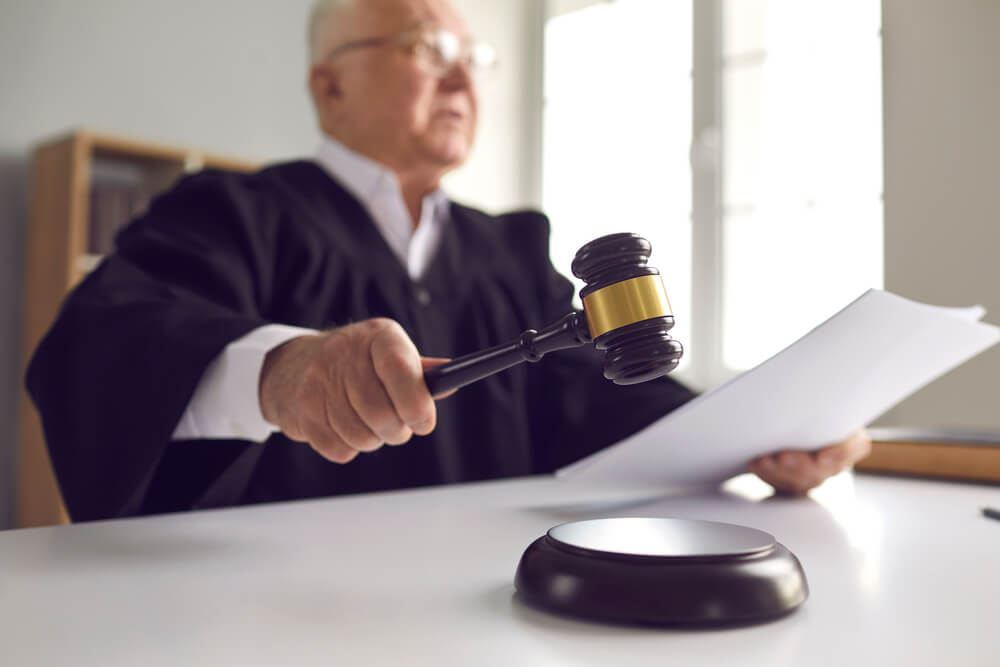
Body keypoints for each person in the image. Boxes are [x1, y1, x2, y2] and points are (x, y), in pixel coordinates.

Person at [26, 0, 870, 522]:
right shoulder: (229, 213)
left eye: (477, 57)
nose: (465, 78)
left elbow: (603, 402)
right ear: (332, 90)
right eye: (430, 47)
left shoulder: (510, 249)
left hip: (496, 614)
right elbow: (99, 347)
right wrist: (282, 372)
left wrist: (768, 429)